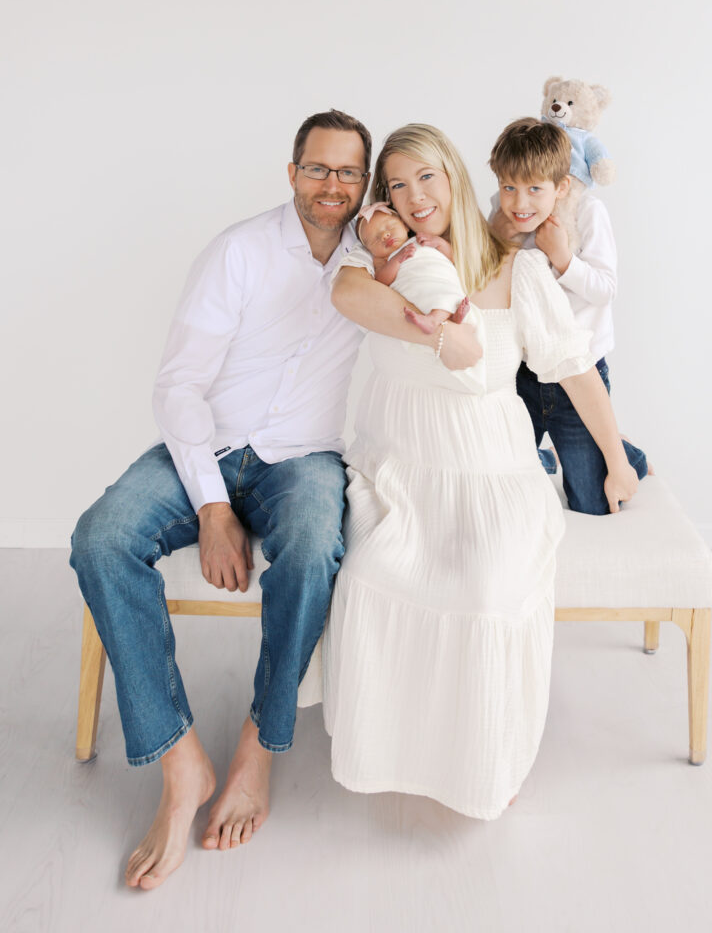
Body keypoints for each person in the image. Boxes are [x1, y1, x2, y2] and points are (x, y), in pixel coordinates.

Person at [70, 109, 406, 891]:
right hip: (209, 446)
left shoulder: (376, 259)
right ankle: (178, 762)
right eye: (318, 169)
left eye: (348, 173)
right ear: (290, 173)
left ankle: (258, 746)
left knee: (317, 547)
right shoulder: (239, 252)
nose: (333, 186)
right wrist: (214, 506)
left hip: (306, 463)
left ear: (366, 183)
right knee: (100, 537)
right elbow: (179, 384)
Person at [325, 123, 640, 820]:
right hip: (401, 461)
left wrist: (615, 462)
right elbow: (344, 297)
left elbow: (572, 368)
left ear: (456, 178)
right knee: (379, 575)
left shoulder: (515, 268)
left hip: (491, 463)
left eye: (427, 177)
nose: (413, 196)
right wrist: (439, 328)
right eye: (397, 185)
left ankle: (482, 762)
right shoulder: (379, 259)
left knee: (490, 587)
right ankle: (390, 754)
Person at [488, 117, 649, 514]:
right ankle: (542, 454)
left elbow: (605, 288)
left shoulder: (587, 212)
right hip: (524, 372)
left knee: (592, 502)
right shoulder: (502, 215)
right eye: (509, 187)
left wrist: (562, 257)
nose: (520, 203)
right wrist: (498, 238)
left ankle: (625, 454)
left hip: (579, 377)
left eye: (534, 189)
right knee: (499, 474)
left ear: (561, 186)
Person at [355, 201, 485, 392]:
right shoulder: (385, 260)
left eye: (390, 227)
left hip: (440, 280)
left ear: (405, 225)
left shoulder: (420, 240)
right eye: (376, 239)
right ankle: (437, 320)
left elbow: (453, 258)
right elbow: (382, 281)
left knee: (448, 293)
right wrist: (398, 260)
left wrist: (439, 244)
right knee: (432, 296)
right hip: (416, 290)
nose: (385, 235)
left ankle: (448, 319)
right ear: (371, 251)